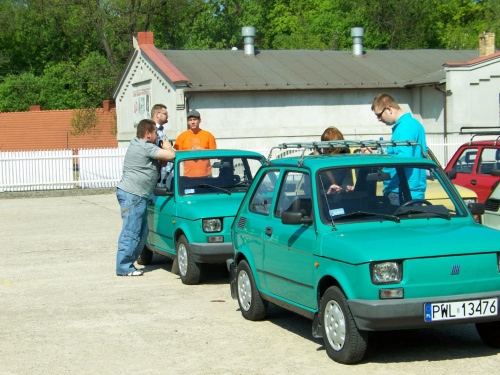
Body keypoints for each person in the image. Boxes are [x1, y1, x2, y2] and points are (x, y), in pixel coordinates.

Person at [116, 119, 176, 276]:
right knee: (131, 231)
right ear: (148, 134)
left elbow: (161, 163)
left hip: (136, 195)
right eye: (156, 132)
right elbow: (170, 155)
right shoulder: (144, 146)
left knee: (142, 231)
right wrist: (167, 144)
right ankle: (124, 267)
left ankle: (128, 264)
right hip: (133, 195)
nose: (157, 135)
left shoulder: (139, 144)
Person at [369, 93, 428, 203]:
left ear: (389, 109)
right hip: (409, 191)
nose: (379, 119)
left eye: (379, 115)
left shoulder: (404, 127)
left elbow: (404, 159)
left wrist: (378, 160)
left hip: (401, 193)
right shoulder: (414, 124)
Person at [174, 110, 216, 177]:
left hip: (206, 174)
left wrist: (202, 150)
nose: (192, 122)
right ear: (188, 122)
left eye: (195, 119)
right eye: (190, 120)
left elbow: (214, 153)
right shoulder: (182, 136)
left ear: (200, 120)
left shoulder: (208, 135)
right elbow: (178, 154)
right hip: (188, 175)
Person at [318, 127, 353, 194]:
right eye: (332, 151)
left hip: (343, 199)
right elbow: (308, 190)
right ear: (324, 147)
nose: (336, 155)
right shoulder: (314, 160)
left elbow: (348, 177)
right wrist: (327, 192)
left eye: (338, 151)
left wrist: (346, 187)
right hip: (323, 202)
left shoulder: (344, 155)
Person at [150, 104, 173, 183]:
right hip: (159, 175)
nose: (167, 116)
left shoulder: (161, 129)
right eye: (165, 114)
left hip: (166, 174)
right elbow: (152, 151)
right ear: (157, 115)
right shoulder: (151, 130)